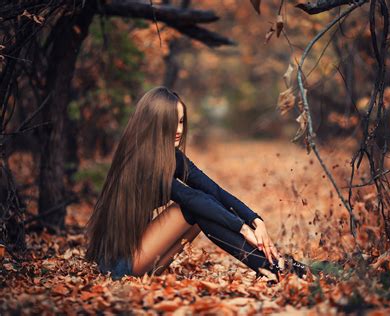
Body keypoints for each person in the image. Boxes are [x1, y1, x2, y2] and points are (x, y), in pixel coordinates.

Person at [84, 86, 310, 283]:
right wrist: (241, 228)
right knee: (193, 207)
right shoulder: (142, 161)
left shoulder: (168, 156)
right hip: (118, 264)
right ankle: (273, 268)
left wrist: (254, 220)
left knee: (203, 206)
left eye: (181, 121)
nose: (179, 129)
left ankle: (273, 268)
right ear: (156, 122)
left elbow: (214, 190)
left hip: (139, 260)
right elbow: (191, 198)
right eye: (172, 122)